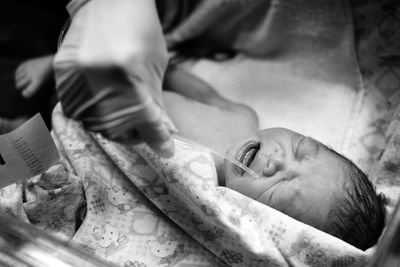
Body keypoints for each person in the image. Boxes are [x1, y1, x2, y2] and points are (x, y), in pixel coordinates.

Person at [162, 66, 387, 251]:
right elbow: (204, 94)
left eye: (281, 187)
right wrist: (166, 66)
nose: (277, 161)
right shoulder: (241, 119)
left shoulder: (204, 207)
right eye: (300, 148)